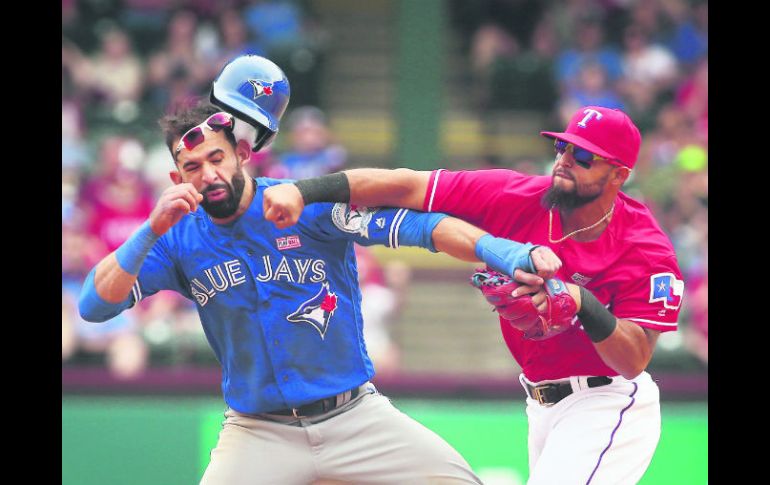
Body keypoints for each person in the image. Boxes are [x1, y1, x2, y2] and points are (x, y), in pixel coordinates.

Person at [79, 55, 564, 485]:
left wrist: (507, 253)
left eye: (216, 158)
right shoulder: (176, 239)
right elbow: (94, 306)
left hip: (354, 417)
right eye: (191, 167)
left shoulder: (302, 204)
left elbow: (425, 229)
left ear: (242, 155)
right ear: (175, 178)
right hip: (257, 430)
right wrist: (150, 229)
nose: (207, 175)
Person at [262, 105, 685, 484]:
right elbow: (407, 186)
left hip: (607, 401)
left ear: (619, 174)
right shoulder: (516, 196)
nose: (565, 161)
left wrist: (582, 302)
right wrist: (305, 191)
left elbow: (633, 361)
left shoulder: (645, 248)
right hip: (540, 403)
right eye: (562, 148)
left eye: (584, 157)